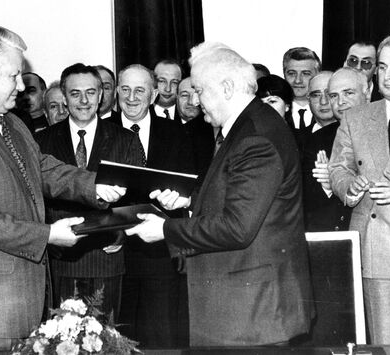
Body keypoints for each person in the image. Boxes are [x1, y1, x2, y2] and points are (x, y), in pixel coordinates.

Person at [0, 26, 125, 353]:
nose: (21, 87)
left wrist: (97, 185)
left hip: (19, 300)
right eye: (14, 76)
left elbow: (44, 168)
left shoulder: (11, 122)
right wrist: (47, 235)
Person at [126, 42, 314, 346]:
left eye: (200, 90)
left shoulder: (255, 137)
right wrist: (190, 202)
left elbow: (237, 227)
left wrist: (164, 229)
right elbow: (239, 197)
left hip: (252, 314)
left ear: (226, 87)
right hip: (243, 307)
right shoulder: (247, 126)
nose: (196, 101)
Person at [35, 63, 144, 318]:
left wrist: (120, 234)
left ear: (102, 95)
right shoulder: (40, 141)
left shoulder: (125, 140)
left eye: (91, 93)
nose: (84, 101)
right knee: (60, 344)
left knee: (107, 341)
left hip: (107, 256)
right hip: (60, 261)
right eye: (75, 94)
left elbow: (136, 197)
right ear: (64, 95)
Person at [329, 34, 390, 345]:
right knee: (385, 346)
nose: (388, 75)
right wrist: (348, 189)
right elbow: (338, 168)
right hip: (373, 248)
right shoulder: (356, 117)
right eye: (382, 67)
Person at [108, 64, 194, 348]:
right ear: (117, 91)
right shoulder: (103, 132)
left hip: (161, 253)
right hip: (114, 253)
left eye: (140, 90)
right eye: (125, 89)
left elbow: (187, 191)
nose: (132, 97)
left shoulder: (177, 133)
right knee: (117, 338)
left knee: (162, 336)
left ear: (154, 94)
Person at [300, 71, 353, 232]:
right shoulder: (303, 140)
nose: (323, 101)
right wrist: (327, 187)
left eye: (329, 94)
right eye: (316, 95)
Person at [179, 77, 214, 178]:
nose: (191, 102)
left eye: (197, 94)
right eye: (185, 95)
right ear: (176, 97)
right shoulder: (167, 131)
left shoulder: (215, 132)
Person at [283, 47, 321, 133]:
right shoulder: (274, 112)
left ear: (317, 75)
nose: (298, 80)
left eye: (305, 74)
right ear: (284, 75)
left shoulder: (329, 111)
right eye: (292, 74)